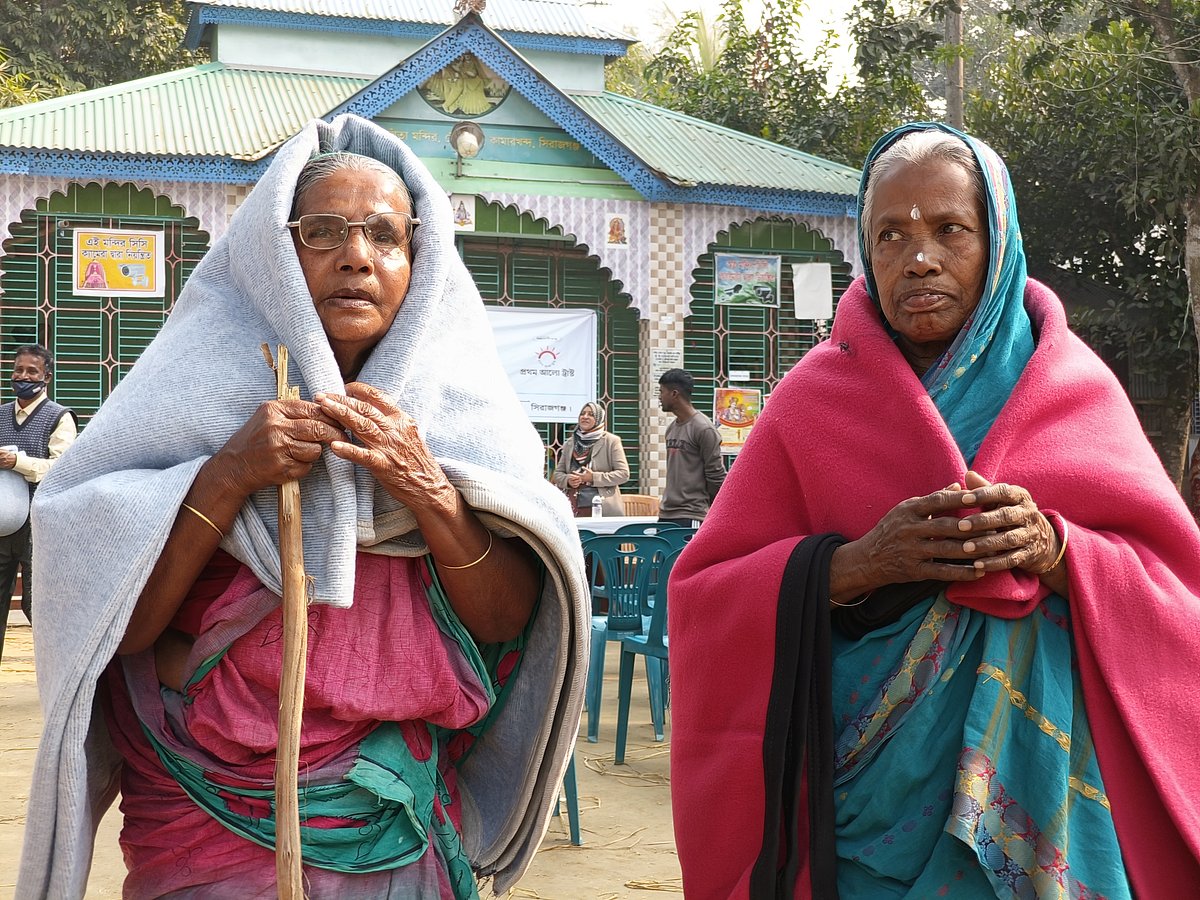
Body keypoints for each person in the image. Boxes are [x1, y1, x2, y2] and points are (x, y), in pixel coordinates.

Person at [18, 115, 588, 899]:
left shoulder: (468, 423)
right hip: (204, 811)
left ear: (419, 265)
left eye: (385, 236)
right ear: (276, 255)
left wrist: (427, 490)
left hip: (381, 810)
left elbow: (503, 620)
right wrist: (225, 477)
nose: (357, 254)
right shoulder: (178, 402)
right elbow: (123, 627)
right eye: (325, 231)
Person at [669, 122, 1200, 898]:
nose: (919, 257)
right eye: (891, 235)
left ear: (997, 241)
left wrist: (1058, 554)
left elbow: (1176, 596)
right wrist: (857, 564)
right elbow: (705, 596)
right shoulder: (809, 405)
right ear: (866, 251)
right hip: (856, 816)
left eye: (950, 229)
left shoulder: (1074, 392)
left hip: (1049, 822)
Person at [0, 344, 77, 661]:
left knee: (38, 605)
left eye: (31, 371)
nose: (23, 376)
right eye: (18, 370)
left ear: (47, 376)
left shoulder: (60, 418)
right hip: (3, 526)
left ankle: (64, 671)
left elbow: (61, 468)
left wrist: (17, 462)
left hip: (40, 525)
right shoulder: (1, 414)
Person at [657, 368, 725, 526]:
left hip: (692, 514)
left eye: (662, 392)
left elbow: (715, 474)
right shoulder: (671, 428)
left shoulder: (703, 428)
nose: (659, 397)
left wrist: (716, 513)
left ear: (674, 394)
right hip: (667, 514)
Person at [551, 400, 630, 517]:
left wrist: (593, 477)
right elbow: (557, 474)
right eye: (582, 414)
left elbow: (623, 474)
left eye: (591, 414)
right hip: (572, 504)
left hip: (601, 504)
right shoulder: (570, 443)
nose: (585, 417)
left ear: (599, 419)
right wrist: (568, 480)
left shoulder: (611, 441)